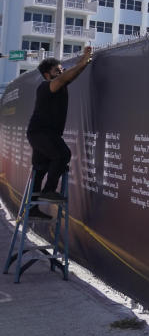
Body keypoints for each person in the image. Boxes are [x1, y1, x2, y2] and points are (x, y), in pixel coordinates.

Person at [26, 46, 93, 220]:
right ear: (48, 75)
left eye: (62, 69)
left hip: (45, 134)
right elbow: (67, 77)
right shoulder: (46, 86)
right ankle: (48, 191)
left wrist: (83, 60)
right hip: (41, 132)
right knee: (63, 154)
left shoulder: (59, 83)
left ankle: (32, 209)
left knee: (40, 169)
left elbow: (70, 75)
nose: (61, 72)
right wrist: (83, 61)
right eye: (57, 70)